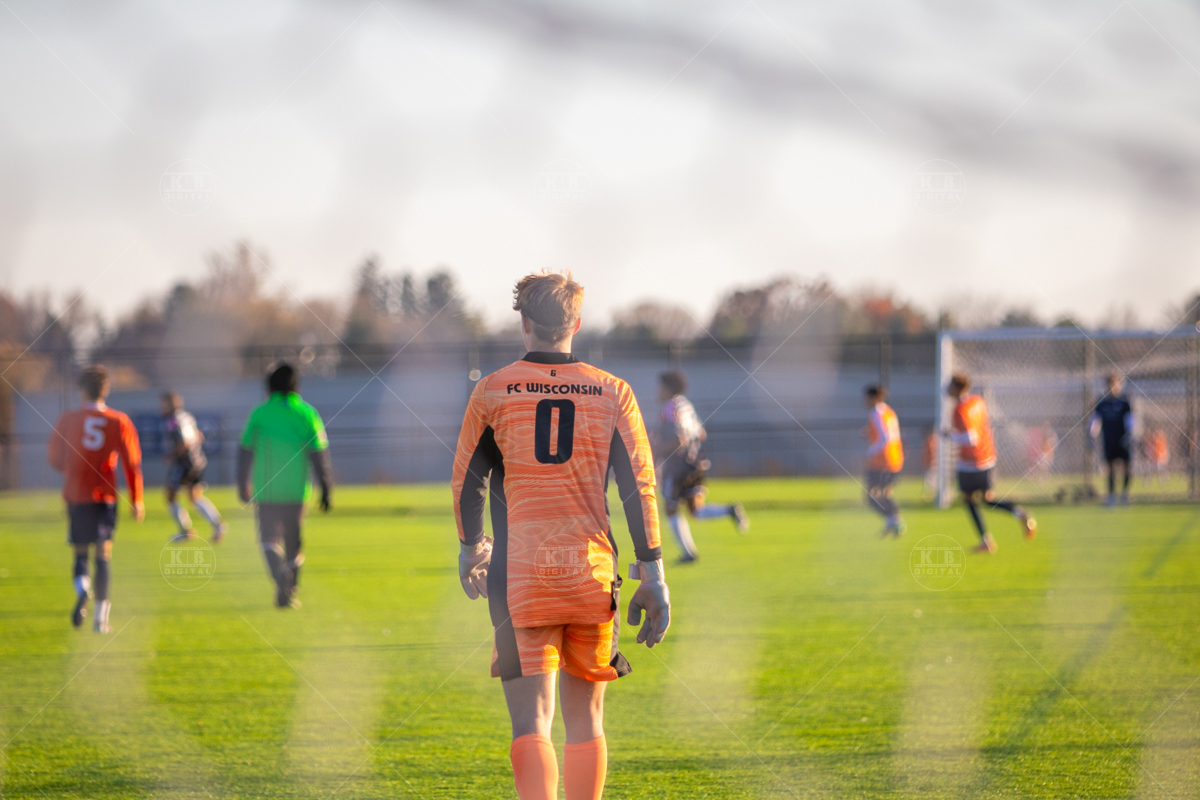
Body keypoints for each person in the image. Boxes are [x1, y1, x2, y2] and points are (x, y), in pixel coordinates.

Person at [451, 271, 670, 800]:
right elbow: (639, 487)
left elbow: (467, 481)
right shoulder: (613, 391)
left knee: (532, 723)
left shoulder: (494, 389)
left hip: (521, 577)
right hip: (590, 574)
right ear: (578, 322)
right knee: (587, 721)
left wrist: (471, 548)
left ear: (524, 322)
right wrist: (653, 573)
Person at [47, 366, 144, 634]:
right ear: (106, 390)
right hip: (105, 496)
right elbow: (132, 463)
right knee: (103, 554)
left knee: (80, 552)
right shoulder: (118, 420)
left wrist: (71, 471)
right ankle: (101, 621)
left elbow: (54, 456)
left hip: (76, 495)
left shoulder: (69, 418)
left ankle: (83, 589)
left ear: (82, 391)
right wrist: (137, 499)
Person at [237, 363, 333, 609]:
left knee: (268, 538)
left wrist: (242, 483)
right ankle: (290, 587)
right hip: (296, 490)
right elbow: (318, 454)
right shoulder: (306, 413)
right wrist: (325, 489)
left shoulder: (259, 414)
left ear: (269, 387)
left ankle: (280, 577)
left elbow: (245, 450)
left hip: (266, 489)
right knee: (293, 539)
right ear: (296, 386)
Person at [654, 370, 749, 562]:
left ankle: (688, 553)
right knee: (695, 510)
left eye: (660, 387)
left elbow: (678, 440)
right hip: (696, 463)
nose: (657, 391)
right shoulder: (686, 406)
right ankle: (728, 510)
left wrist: (656, 450)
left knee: (671, 508)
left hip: (677, 467)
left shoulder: (669, 409)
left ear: (668, 388)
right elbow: (701, 433)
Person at [944, 373, 1036, 553]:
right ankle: (1020, 513)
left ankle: (986, 541)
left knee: (969, 500)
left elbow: (970, 438)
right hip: (987, 458)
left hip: (970, 463)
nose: (947, 389)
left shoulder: (960, 409)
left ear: (956, 388)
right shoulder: (977, 401)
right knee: (987, 499)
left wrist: (949, 436)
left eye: (950, 386)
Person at [160, 391, 226, 543]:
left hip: (185, 463)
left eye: (163, 404)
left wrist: (172, 454)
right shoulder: (187, 417)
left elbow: (185, 442)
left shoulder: (173, 420)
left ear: (170, 404)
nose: (161, 407)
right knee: (194, 497)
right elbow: (199, 436)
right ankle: (217, 525)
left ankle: (185, 530)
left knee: (170, 495)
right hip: (198, 460)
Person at [862, 385, 904, 537]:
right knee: (885, 493)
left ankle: (894, 520)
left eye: (866, 398)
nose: (864, 401)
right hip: (894, 458)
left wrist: (870, 451)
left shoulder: (876, 413)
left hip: (881, 461)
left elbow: (884, 437)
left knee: (871, 495)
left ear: (874, 398)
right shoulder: (888, 411)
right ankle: (893, 521)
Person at [1090, 373, 1135, 506]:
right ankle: (1111, 496)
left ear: (1119, 385)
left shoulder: (1124, 402)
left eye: (1115, 384)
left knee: (1127, 467)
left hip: (1123, 440)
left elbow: (1130, 420)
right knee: (1110, 469)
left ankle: (1125, 494)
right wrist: (1091, 435)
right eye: (1110, 384)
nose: (1112, 387)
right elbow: (1095, 421)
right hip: (1109, 440)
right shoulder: (1102, 403)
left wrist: (1130, 435)